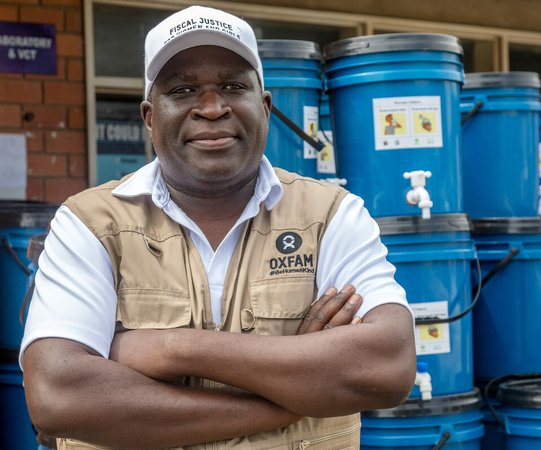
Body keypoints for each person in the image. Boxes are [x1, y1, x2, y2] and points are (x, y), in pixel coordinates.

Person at [20, 5, 416, 449]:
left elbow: (388, 365)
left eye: (233, 85)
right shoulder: (88, 224)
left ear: (264, 107)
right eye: (183, 89)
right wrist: (289, 400)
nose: (211, 108)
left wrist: (171, 349)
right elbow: (59, 397)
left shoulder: (331, 215)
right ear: (150, 117)